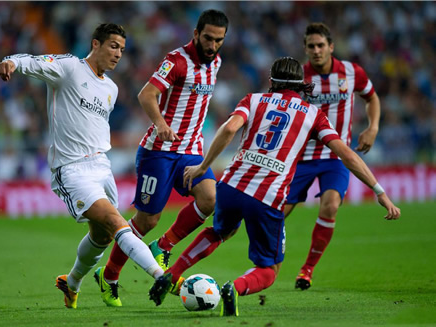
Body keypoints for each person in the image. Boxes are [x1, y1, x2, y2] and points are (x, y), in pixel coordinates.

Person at [147, 57, 400, 316]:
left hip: (232, 184)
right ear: (302, 84)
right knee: (269, 270)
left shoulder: (253, 100)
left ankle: (172, 273)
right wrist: (379, 191)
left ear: (272, 82)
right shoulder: (314, 115)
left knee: (220, 231)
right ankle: (234, 287)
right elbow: (346, 154)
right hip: (267, 195)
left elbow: (228, 129)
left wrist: (203, 166)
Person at [0, 23, 166, 309]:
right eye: (113, 46)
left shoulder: (111, 89)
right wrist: (10, 61)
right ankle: (162, 276)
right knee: (115, 223)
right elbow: (33, 62)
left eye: (122, 50)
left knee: (100, 235)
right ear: (96, 44)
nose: (118, 54)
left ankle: (71, 282)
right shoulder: (70, 68)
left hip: (102, 167)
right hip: (72, 169)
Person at [94, 9, 229, 307]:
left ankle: (163, 246)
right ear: (196, 34)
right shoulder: (176, 61)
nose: (212, 45)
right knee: (147, 219)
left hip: (191, 152)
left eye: (218, 40)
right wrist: (160, 123)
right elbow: (146, 94)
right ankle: (110, 274)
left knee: (210, 199)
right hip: (159, 152)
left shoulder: (215, 62)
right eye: (207, 38)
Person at [285, 22, 382, 290]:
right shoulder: (297, 77)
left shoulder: (352, 72)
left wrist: (372, 128)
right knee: (277, 215)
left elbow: (372, 98)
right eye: (310, 46)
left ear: (331, 47)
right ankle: (267, 263)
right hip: (299, 157)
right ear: (304, 49)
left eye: (320, 46)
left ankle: (307, 269)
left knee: (330, 205)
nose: (316, 51)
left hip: (335, 157)